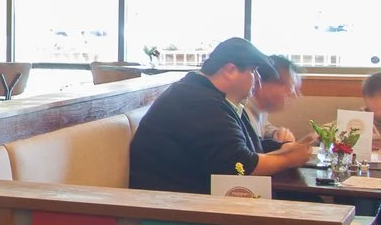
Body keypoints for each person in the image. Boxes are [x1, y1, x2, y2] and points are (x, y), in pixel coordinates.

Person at [127, 37, 311, 193]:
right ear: (230, 70)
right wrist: (288, 158)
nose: (257, 79)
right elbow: (242, 167)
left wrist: (285, 147)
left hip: (196, 197)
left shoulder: (215, 98)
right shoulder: (197, 102)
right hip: (172, 208)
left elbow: (245, 146)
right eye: (253, 71)